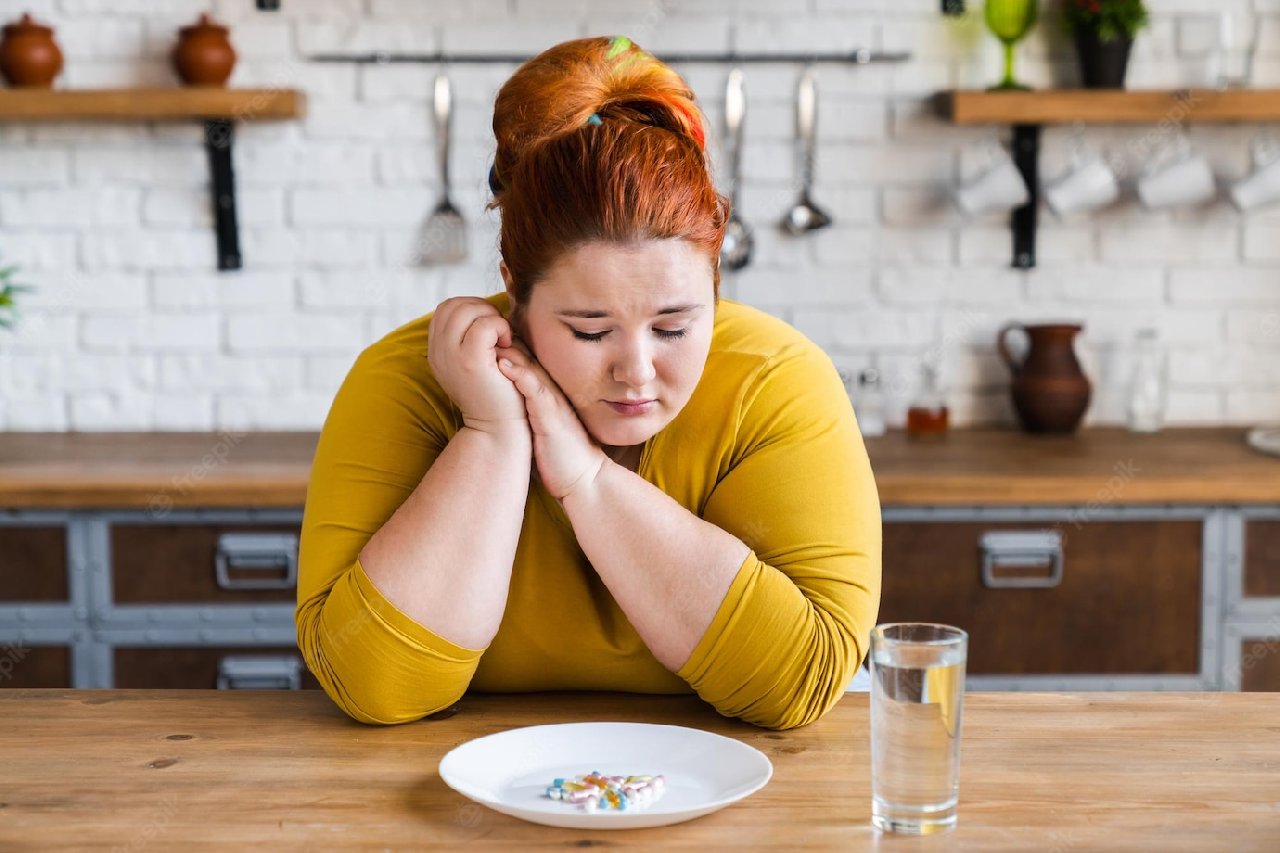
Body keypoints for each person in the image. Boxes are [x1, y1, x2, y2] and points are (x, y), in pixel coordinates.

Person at [296, 36, 881, 731]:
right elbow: (370, 682)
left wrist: (585, 479)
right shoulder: (406, 380)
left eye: (673, 327)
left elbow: (800, 679)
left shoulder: (777, 381)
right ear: (514, 290)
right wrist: (491, 433)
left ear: (716, 282)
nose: (636, 369)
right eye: (589, 329)